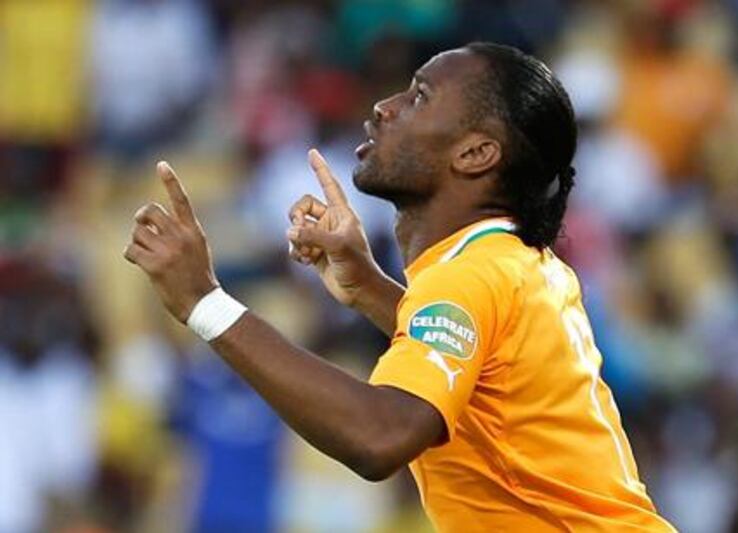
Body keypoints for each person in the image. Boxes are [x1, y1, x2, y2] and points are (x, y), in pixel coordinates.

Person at [124, 42, 676, 531]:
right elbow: (484, 384)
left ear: (476, 154)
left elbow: (380, 435)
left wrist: (206, 303)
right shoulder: (516, 263)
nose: (384, 107)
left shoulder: (471, 276)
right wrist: (367, 286)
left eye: (418, 97)